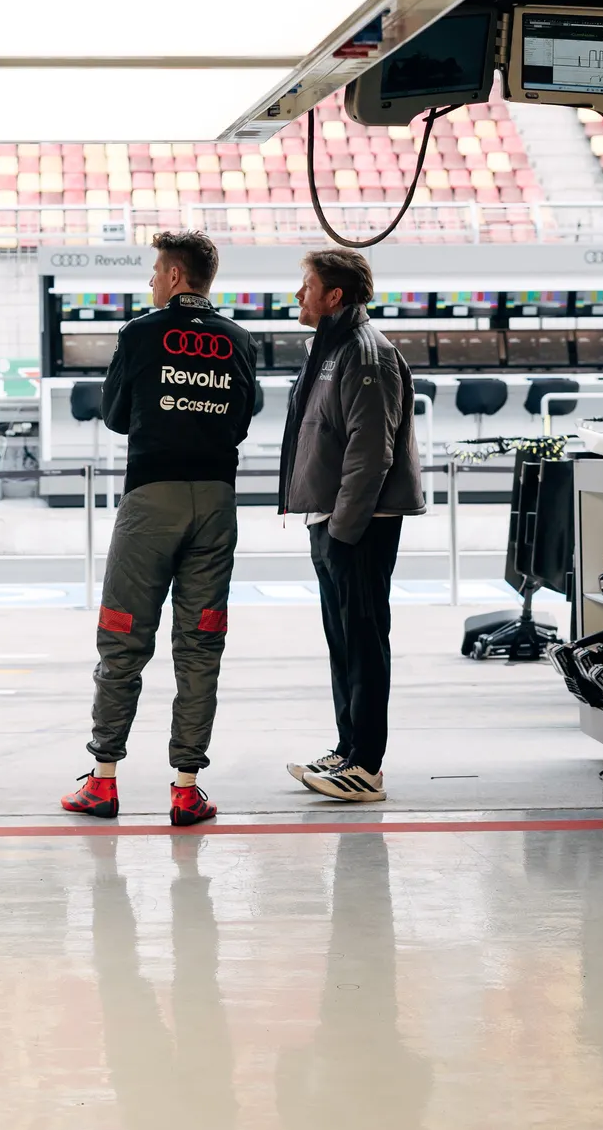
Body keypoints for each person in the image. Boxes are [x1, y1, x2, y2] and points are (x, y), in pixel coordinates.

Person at [62, 229, 257, 828]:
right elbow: (244, 419)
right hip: (218, 503)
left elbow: (116, 416)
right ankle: (186, 787)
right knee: (200, 643)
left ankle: (103, 782)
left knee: (123, 637)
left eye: (154, 273)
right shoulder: (240, 339)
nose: (151, 281)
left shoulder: (141, 332)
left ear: (174, 277)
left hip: (151, 501)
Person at [279, 244, 423, 803]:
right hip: (331, 519)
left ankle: (366, 766)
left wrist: (342, 528)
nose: (299, 295)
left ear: (334, 295)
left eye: (307, 285)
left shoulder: (366, 353)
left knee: (363, 641)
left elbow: (371, 452)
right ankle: (347, 750)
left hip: (359, 523)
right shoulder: (332, 347)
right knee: (342, 641)